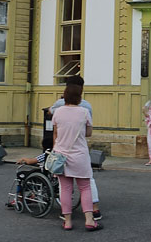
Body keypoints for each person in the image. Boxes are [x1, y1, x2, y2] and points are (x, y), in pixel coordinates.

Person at [50, 75, 101, 221]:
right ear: (80, 93)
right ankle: (90, 219)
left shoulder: (58, 109)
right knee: (85, 186)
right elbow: (88, 133)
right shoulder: (86, 109)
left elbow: (55, 132)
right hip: (79, 154)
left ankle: (67, 221)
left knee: (65, 189)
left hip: (61, 154)